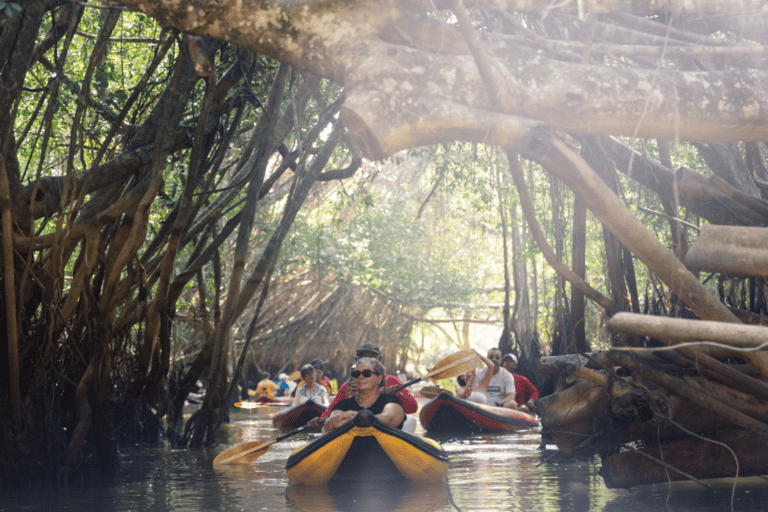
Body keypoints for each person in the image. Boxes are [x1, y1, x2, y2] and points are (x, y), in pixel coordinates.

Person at [310, 342, 417, 428]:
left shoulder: (392, 380)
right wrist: (320, 421)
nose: (367, 360)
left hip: (385, 428)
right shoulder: (348, 385)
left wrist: (399, 397)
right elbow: (332, 410)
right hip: (355, 428)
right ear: (356, 360)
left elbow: (413, 408)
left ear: (379, 360)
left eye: (371, 357)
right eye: (363, 357)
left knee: (411, 420)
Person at [323, 358, 405, 432]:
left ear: (379, 378)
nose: (360, 377)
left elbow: (390, 418)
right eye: (356, 373)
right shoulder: (344, 404)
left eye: (366, 373)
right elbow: (329, 424)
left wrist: (360, 419)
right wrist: (334, 421)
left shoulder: (391, 400)